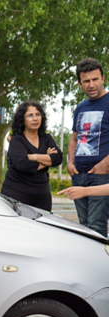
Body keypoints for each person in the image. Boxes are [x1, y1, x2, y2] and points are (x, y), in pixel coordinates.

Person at [67, 58, 109, 237]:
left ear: (103, 78)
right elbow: (74, 138)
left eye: (95, 79)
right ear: (79, 83)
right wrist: (70, 163)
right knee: (83, 228)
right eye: (86, 81)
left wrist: (104, 165)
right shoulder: (80, 107)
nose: (91, 84)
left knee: (96, 227)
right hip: (79, 175)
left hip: (101, 176)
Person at [0, 101, 61, 211]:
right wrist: (47, 158)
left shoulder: (46, 137)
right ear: (22, 119)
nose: (35, 118)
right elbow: (23, 165)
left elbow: (58, 158)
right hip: (17, 194)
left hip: (42, 196)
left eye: (37, 114)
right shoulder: (17, 140)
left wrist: (35, 157)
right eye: (30, 115)